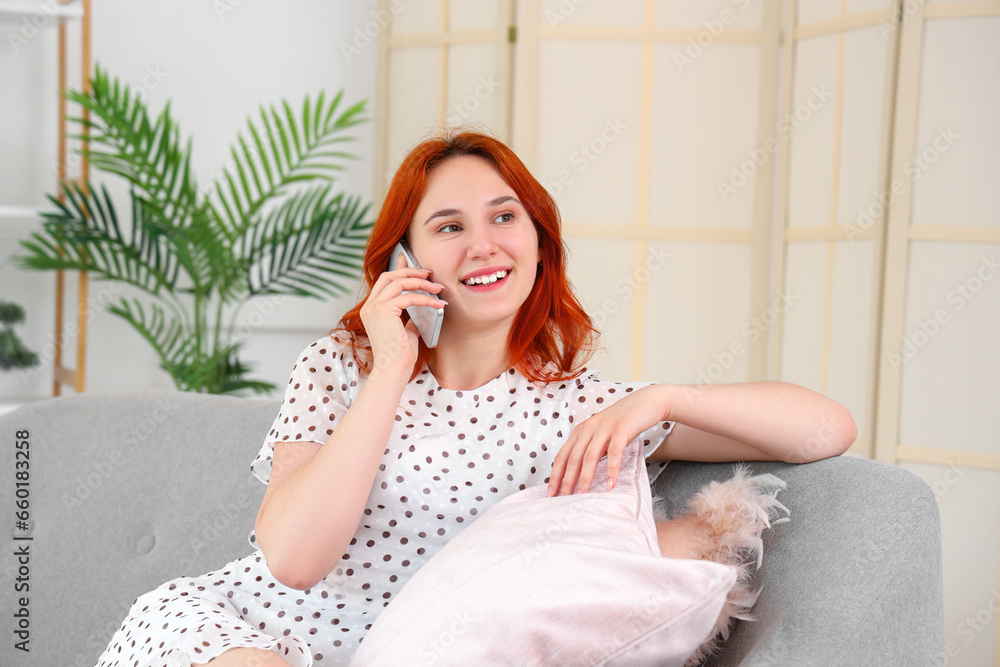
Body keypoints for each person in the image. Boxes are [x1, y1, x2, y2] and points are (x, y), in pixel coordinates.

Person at [96, 129, 856, 667]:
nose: (483, 244)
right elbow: (294, 559)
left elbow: (826, 428)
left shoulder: (582, 410)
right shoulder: (340, 366)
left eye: (504, 217)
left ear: (538, 242)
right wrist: (391, 369)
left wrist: (663, 397)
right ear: (406, 259)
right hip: (232, 635)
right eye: (448, 226)